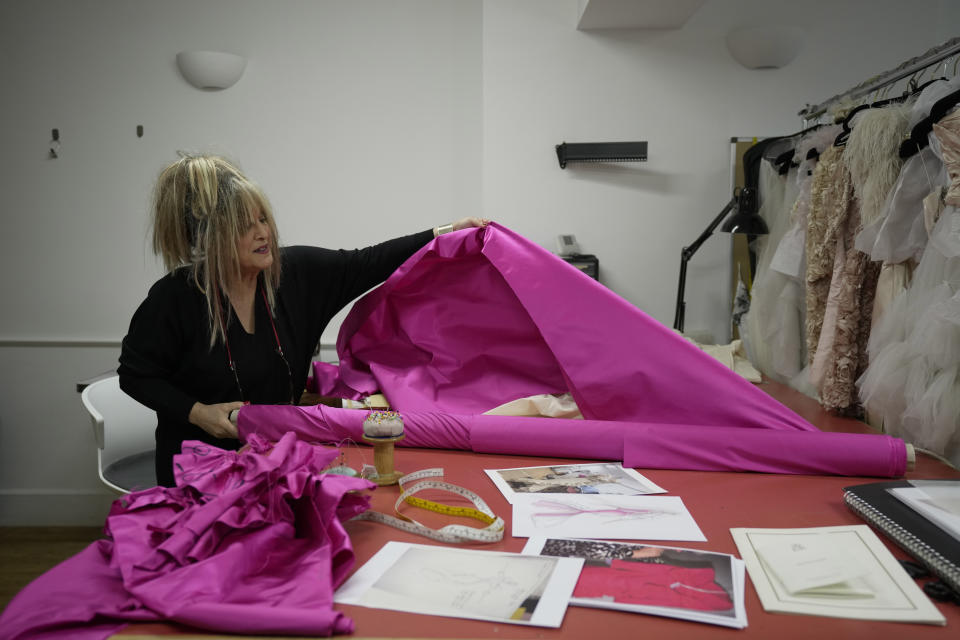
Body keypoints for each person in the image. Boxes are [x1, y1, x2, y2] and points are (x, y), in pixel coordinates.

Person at [118, 153, 487, 486]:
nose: (263, 232)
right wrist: (198, 413)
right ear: (214, 237)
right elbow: (135, 375)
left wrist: (444, 235)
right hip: (197, 472)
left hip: (277, 463)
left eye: (263, 218)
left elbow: (367, 262)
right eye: (246, 226)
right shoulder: (175, 297)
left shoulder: (295, 274)